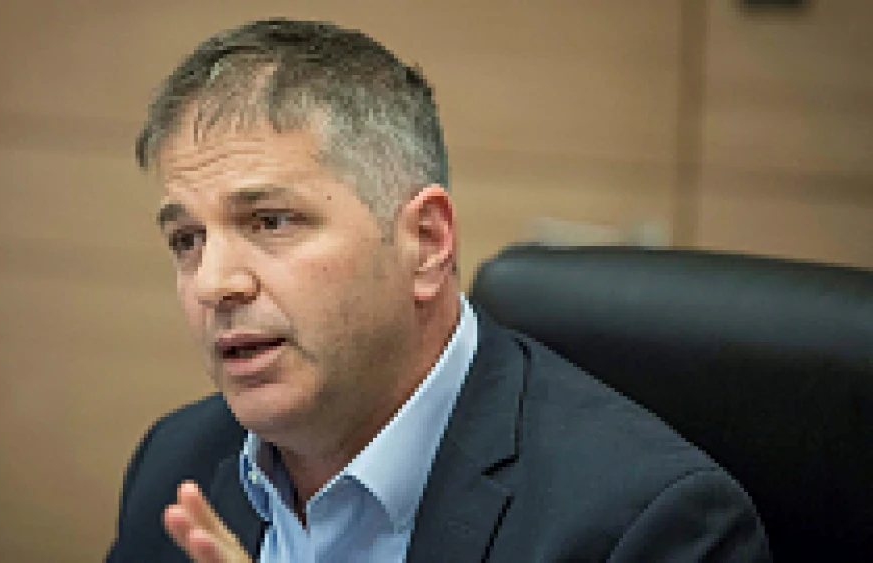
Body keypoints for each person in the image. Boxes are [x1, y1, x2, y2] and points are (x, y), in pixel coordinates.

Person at [105, 18, 771, 563]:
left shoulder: (646, 526)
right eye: (187, 239)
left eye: (271, 221)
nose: (215, 283)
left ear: (424, 241)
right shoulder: (178, 463)